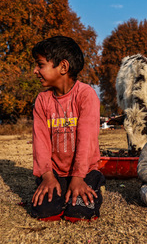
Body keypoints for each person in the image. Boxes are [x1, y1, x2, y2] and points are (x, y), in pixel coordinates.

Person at [31, 36, 105, 222]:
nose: (35, 70)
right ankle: (58, 189)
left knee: (78, 214)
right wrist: (47, 175)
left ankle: (93, 184)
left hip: (84, 171)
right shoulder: (42, 100)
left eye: (40, 65)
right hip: (55, 172)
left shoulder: (86, 95)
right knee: (46, 212)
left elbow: (86, 139)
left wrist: (79, 177)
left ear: (63, 67)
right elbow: (40, 141)